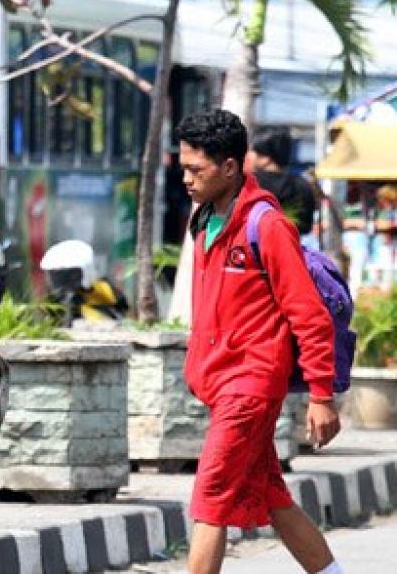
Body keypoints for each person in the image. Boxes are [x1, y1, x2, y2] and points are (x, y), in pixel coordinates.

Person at [177, 109, 343, 574]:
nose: (187, 180)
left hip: (249, 386)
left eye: (196, 169)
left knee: (210, 496)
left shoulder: (266, 225)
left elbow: (308, 315)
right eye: (183, 169)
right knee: (271, 495)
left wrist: (322, 395)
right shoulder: (205, 217)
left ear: (230, 167)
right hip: (221, 383)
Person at [245, 126, 317, 238]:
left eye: (251, 151)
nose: (247, 155)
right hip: (295, 248)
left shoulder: (249, 184)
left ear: (265, 158)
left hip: (257, 248)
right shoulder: (303, 186)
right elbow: (307, 227)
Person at [39, 239, 128, 326]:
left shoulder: (104, 288)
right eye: (55, 274)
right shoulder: (53, 301)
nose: (61, 279)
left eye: (70, 274)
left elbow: (122, 308)